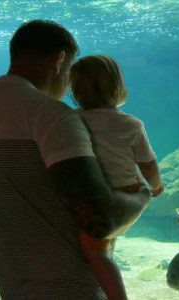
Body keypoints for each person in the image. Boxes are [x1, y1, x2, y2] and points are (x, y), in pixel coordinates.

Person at [0, 20, 150, 300]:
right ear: (60, 60)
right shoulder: (53, 117)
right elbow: (100, 221)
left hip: (13, 290)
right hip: (73, 289)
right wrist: (143, 195)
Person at [69, 55, 164, 300]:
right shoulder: (132, 124)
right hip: (130, 192)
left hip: (97, 198)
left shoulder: (72, 120)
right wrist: (156, 186)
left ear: (74, 91)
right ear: (117, 88)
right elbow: (148, 163)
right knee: (106, 243)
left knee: (94, 251)